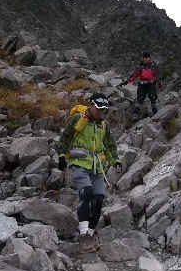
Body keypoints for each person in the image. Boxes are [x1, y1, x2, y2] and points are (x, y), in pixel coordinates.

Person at [56, 92, 122, 253]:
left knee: (98, 199)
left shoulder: (104, 125)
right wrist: (61, 157)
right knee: (86, 193)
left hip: (97, 166)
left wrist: (116, 161)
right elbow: (65, 138)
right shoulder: (77, 119)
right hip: (79, 162)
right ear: (91, 105)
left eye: (103, 109)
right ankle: (83, 235)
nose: (100, 112)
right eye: (98, 108)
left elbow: (109, 146)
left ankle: (90, 235)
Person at [120, 51, 162, 121]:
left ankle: (155, 114)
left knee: (152, 97)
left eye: (146, 57)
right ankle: (135, 114)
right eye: (144, 57)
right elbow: (134, 75)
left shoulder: (154, 65)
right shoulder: (140, 66)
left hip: (151, 84)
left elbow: (158, 76)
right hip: (142, 84)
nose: (145, 59)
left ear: (149, 58)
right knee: (140, 98)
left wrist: (160, 84)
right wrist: (126, 82)